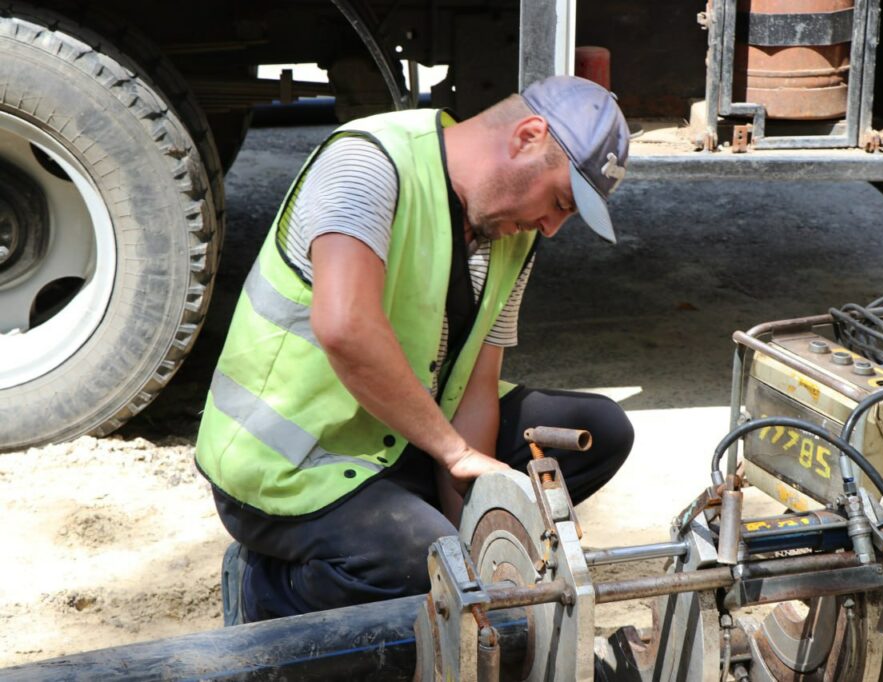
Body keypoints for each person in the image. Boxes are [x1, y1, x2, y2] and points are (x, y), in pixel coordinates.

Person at [194, 75, 635, 624]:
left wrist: (472, 543)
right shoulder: (370, 162)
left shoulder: (512, 235)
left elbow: (476, 385)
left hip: (398, 437)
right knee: (419, 564)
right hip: (288, 464)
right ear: (527, 135)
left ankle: (422, 545)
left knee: (602, 431)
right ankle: (265, 588)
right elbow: (344, 327)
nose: (551, 228)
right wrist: (451, 458)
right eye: (560, 201)